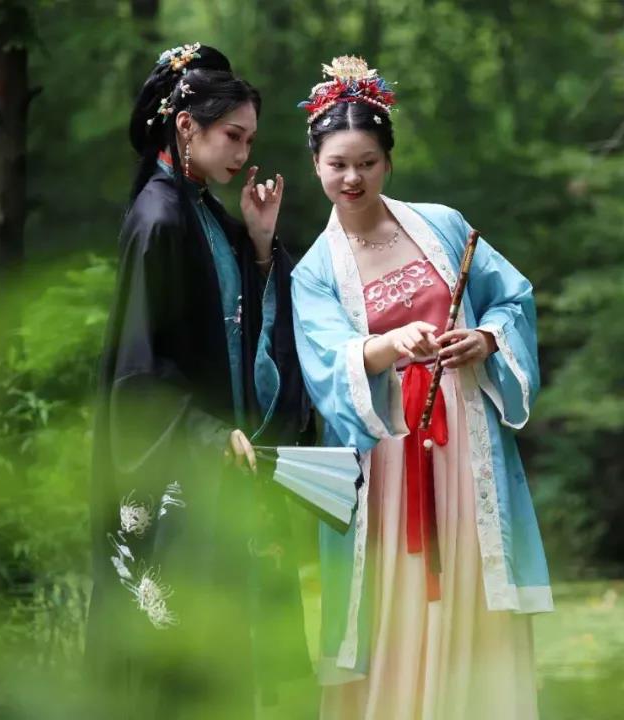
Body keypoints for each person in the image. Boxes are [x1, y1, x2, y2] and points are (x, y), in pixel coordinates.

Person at [291, 56, 552, 720]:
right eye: (338, 164)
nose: (352, 178)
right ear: (316, 165)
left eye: (368, 162)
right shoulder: (314, 272)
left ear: (388, 162)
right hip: (385, 455)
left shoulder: (443, 226)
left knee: (471, 578)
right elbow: (326, 362)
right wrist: (390, 345)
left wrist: (485, 339)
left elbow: (512, 299)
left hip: (466, 440)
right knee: (395, 595)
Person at [86, 43, 312, 718]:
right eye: (232, 136)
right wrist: (207, 432)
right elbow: (139, 369)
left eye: (250, 140)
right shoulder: (161, 218)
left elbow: (239, 329)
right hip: (180, 465)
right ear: (186, 126)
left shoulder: (204, 212)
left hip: (218, 460)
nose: (244, 152)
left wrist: (261, 244)